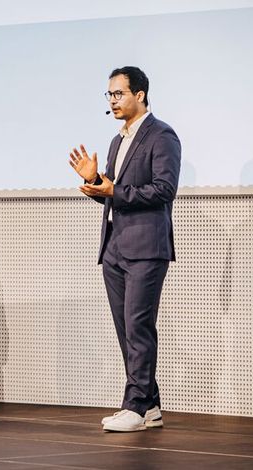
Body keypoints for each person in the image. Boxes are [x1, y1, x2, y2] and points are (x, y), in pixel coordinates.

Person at [69, 66, 181, 432]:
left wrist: (112, 190)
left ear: (140, 95)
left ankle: (133, 405)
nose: (113, 101)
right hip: (115, 246)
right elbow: (113, 193)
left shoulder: (162, 135)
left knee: (138, 327)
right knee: (126, 330)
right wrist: (95, 181)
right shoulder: (117, 141)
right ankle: (150, 405)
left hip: (146, 246)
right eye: (110, 95)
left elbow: (164, 190)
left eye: (118, 94)